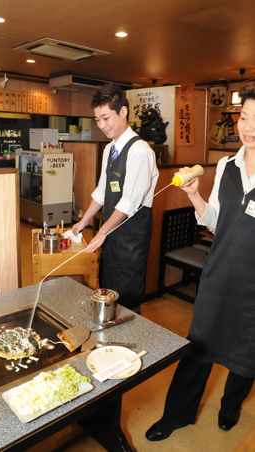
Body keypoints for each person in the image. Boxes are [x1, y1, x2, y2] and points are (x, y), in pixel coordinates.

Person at [146, 84, 255, 442]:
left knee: (247, 354)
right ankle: (176, 415)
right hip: (219, 274)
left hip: (252, 286)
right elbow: (214, 221)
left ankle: (230, 407)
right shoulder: (227, 166)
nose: (248, 127)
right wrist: (195, 196)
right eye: (244, 117)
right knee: (198, 348)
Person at [72, 84, 159, 313]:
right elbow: (102, 192)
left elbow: (129, 202)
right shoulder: (109, 149)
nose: (102, 125)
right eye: (97, 119)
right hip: (111, 232)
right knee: (108, 288)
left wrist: (101, 232)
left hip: (131, 238)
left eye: (105, 118)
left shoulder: (139, 151)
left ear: (123, 112)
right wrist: (84, 221)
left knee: (126, 297)